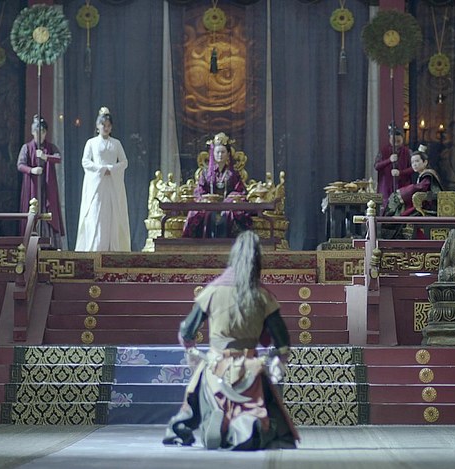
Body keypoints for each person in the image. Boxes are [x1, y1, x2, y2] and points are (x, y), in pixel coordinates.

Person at [162, 230, 299, 450]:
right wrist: (278, 360)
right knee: (270, 409)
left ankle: (184, 427)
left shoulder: (212, 291)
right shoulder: (263, 296)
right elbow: (282, 341)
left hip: (215, 367)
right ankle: (248, 429)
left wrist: (192, 352)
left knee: (193, 398)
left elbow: (187, 331)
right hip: (250, 369)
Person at [75, 107, 131, 252]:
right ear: (97, 126)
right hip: (97, 185)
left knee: (112, 213)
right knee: (96, 214)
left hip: (112, 183)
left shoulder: (116, 143)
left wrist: (111, 169)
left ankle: (113, 247)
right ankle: (95, 248)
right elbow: (85, 161)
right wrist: (101, 169)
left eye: (108, 126)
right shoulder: (91, 143)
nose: (106, 128)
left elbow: (124, 162)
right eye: (103, 125)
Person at [182, 132, 252, 238]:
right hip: (208, 205)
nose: (220, 155)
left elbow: (239, 191)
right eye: (217, 152)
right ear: (213, 154)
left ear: (228, 154)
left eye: (223, 152)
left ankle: (228, 241)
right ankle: (200, 241)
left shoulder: (233, 174)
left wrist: (228, 199)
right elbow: (199, 190)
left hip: (228, 206)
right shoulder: (206, 173)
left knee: (233, 213)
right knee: (197, 212)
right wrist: (206, 198)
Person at [17, 115, 64, 249]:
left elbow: (58, 158)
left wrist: (45, 157)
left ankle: (51, 244)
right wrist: (32, 170)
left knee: (49, 212)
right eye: (37, 132)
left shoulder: (50, 147)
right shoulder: (27, 148)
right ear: (33, 132)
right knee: (33, 211)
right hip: (33, 186)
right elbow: (20, 165)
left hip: (47, 187)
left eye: (42, 132)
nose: (40, 135)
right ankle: (31, 244)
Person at [374, 127, 413, 213]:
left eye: (398, 141)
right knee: (386, 209)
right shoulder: (383, 151)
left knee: (402, 210)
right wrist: (389, 160)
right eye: (393, 141)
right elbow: (376, 166)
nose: (396, 143)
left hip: (403, 186)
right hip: (386, 186)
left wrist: (401, 172)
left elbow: (413, 168)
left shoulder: (408, 152)